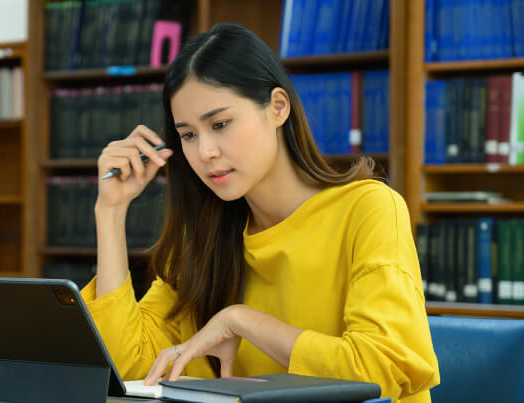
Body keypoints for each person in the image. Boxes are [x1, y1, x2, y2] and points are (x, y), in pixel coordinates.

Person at [79, 23, 440, 403]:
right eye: (188, 135)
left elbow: (381, 370)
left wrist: (241, 320)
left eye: (220, 124)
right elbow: (129, 368)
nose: (205, 152)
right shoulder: (204, 237)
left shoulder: (369, 210)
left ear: (278, 107)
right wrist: (111, 211)